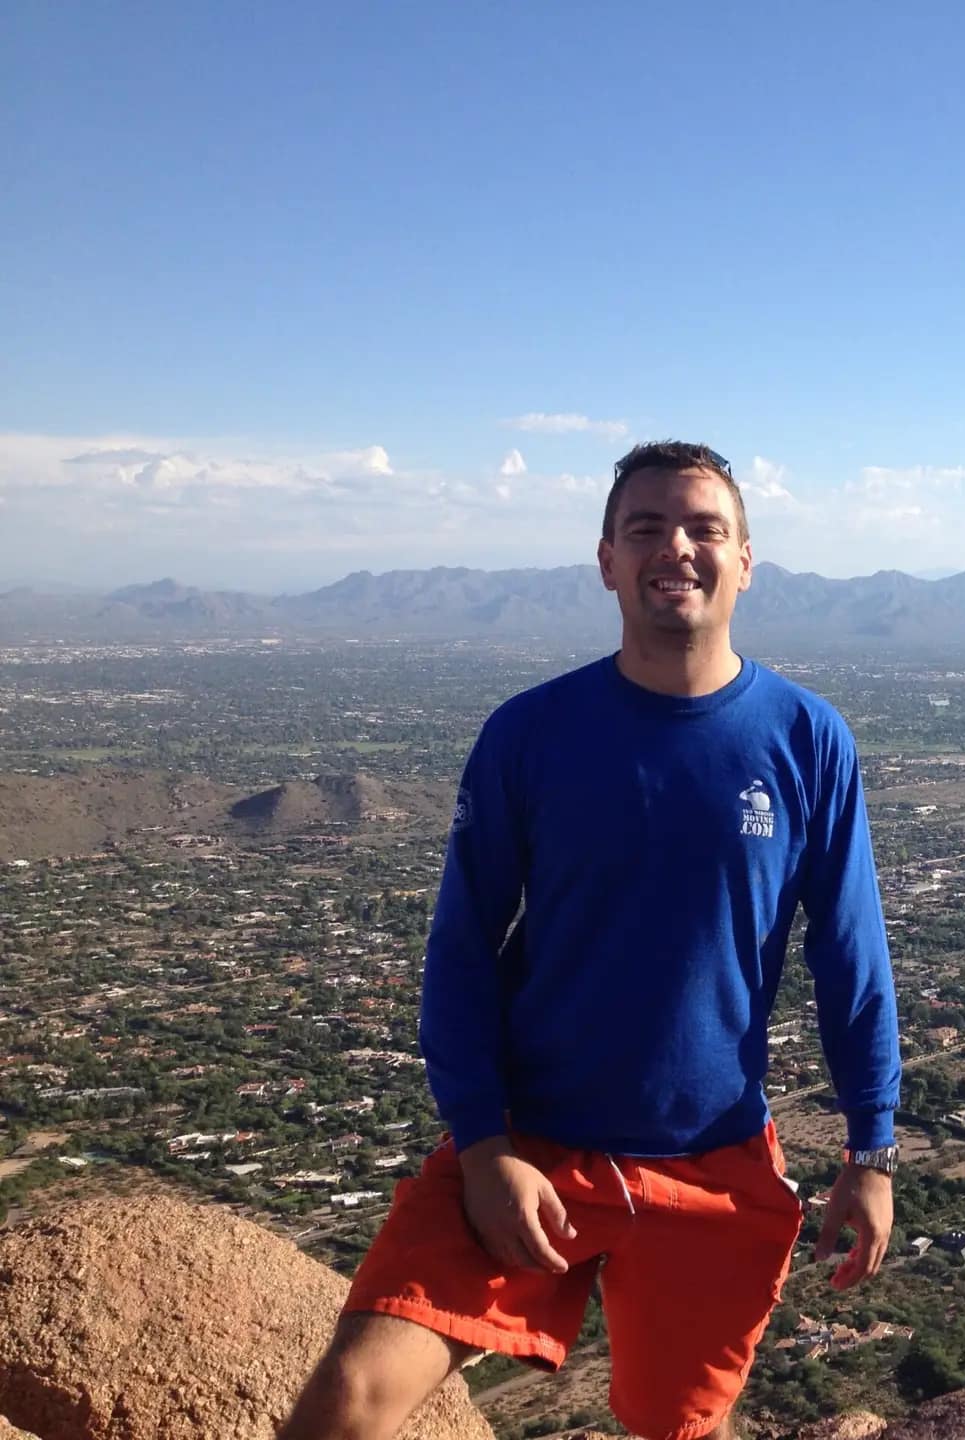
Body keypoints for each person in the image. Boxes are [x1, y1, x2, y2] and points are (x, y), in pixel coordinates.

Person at [281, 440, 902, 1440]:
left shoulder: (806, 739)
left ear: (747, 560)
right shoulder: (532, 733)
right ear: (607, 560)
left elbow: (852, 961)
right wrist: (483, 1149)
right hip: (532, 1145)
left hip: (713, 1162)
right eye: (646, 527)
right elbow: (462, 946)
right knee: (349, 1404)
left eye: (706, 528)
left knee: (679, 1431)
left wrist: (871, 1152)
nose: (678, 548)